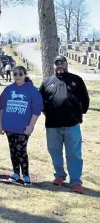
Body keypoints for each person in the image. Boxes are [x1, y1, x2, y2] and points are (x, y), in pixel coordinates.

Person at [39, 56, 89, 194]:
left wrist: (78, 113)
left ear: (66, 64)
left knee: (74, 154)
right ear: (53, 66)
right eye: (57, 63)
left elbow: (85, 100)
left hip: (71, 124)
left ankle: (75, 182)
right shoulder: (47, 82)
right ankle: (60, 175)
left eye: (62, 63)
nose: (59, 65)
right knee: (54, 151)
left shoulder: (76, 80)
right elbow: (40, 101)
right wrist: (48, 113)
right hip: (52, 125)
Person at [0, 66, 43, 185]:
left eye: (20, 74)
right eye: (15, 74)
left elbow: (36, 110)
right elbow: (2, 107)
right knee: (13, 151)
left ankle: (26, 176)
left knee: (21, 151)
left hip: (23, 128)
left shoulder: (32, 90)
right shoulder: (8, 89)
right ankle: (16, 174)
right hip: (9, 127)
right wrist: (0, 124)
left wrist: (31, 126)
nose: (17, 76)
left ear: (25, 75)